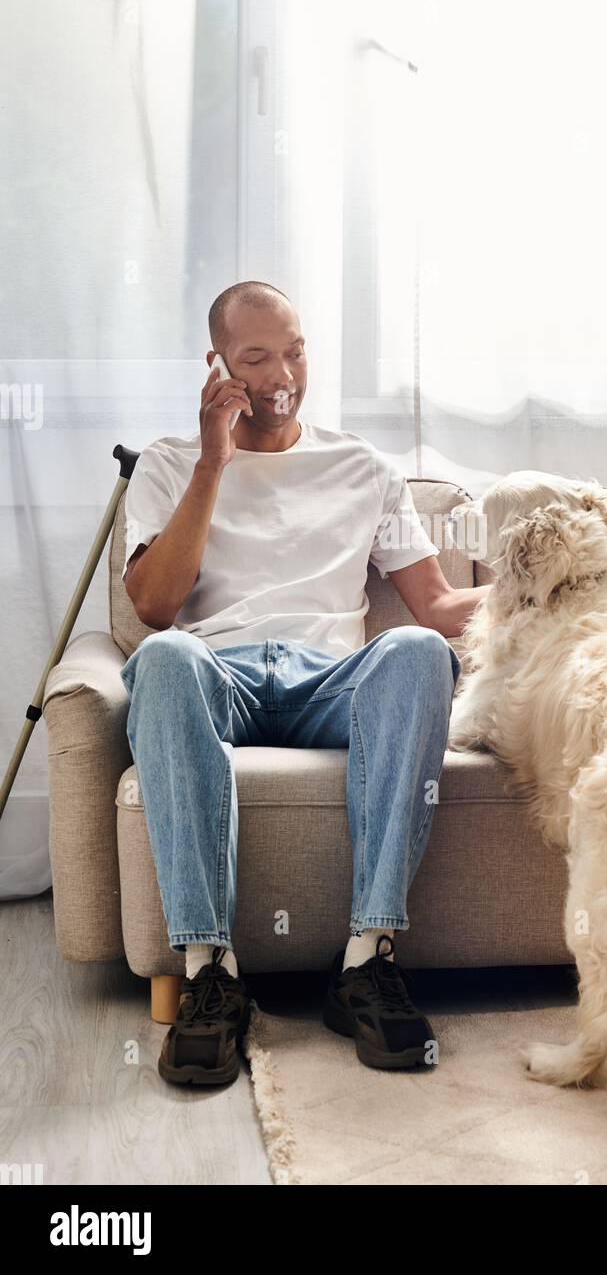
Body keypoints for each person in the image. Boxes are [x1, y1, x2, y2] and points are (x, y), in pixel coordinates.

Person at [119, 280, 490, 1086]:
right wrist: (214, 462)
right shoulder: (167, 464)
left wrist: (540, 582)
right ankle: (210, 973)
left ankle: (365, 961)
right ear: (217, 365)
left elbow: (435, 606)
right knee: (164, 659)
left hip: (332, 680)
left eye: (294, 350)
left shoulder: (364, 468)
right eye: (256, 357)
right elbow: (154, 606)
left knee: (418, 653)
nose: (281, 372)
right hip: (221, 673)